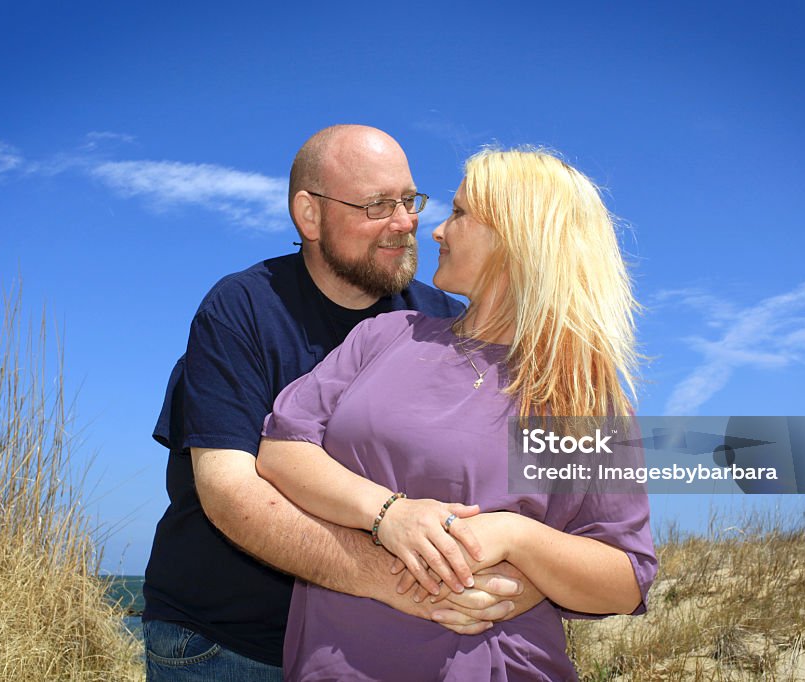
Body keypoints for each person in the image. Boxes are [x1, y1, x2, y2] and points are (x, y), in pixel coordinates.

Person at [143, 126, 546, 680]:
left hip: (373, 649)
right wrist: (409, 583)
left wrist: (516, 585)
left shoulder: (445, 323)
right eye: (378, 205)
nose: (406, 224)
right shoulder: (240, 310)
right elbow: (231, 493)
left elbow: (520, 501)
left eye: (409, 201)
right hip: (225, 643)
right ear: (309, 215)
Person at [257, 148, 658, 681]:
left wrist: (517, 537)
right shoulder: (385, 336)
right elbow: (283, 449)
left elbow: (623, 577)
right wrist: (388, 513)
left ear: (518, 238)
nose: (437, 230)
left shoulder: (578, 395)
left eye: (462, 214)